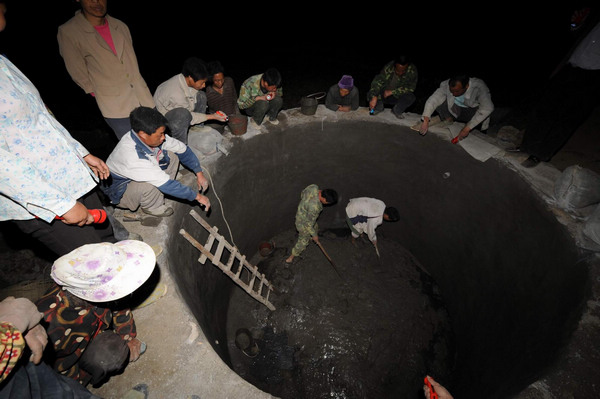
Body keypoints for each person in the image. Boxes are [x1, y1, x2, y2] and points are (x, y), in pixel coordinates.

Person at [0, 2, 136, 259]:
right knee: (93, 260)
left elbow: (41, 118)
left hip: (69, 175)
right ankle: (114, 298)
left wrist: (81, 153)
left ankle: (129, 285)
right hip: (41, 196)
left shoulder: (3, 63)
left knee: (107, 235)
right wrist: (60, 205)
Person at [36, 240, 156, 388]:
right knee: (109, 355)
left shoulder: (90, 286)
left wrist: (128, 337)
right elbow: (55, 367)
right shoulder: (51, 325)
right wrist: (77, 385)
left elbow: (119, 304)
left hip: (92, 332)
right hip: (67, 362)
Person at [510, 13, 600, 168]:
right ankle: (526, 147)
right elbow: (575, 32)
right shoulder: (595, 18)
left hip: (593, 77)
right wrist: (575, 24)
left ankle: (540, 154)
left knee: (567, 118)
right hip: (571, 67)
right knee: (544, 108)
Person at [57, 0, 155, 140]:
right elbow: (76, 69)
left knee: (159, 142)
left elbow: (130, 63)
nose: (96, 2)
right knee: (135, 149)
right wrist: (97, 91)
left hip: (143, 97)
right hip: (115, 104)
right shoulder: (69, 31)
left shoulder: (120, 26)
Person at [101, 106, 211, 218]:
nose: (163, 137)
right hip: (120, 191)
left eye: (163, 133)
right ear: (143, 134)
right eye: (160, 134)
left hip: (140, 173)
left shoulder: (146, 137)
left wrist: (199, 174)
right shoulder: (132, 157)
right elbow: (166, 185)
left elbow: (183, 149)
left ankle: (163, 186)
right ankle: (152, 207)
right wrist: (198, 197)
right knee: (150, 186)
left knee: (172, 155)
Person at [153, 57, 228, 144]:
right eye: (202, 82)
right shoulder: (176, 94)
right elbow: (188, 115)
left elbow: (192, 98)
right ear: (191, 78)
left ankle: (197, 129)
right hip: (165, 117)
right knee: (183, 115)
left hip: (181, 107)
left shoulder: (184, 79)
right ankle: (181, 145)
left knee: (201, 95)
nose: (204, 85)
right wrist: (213, 116)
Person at [417, 74, 494, 141]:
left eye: (457, 91)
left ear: (467, 86)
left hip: (471, 113)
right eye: (451, 91)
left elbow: (488, 108)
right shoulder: (446, 84)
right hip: (455, 110)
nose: (453, 94)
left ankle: (471, 126)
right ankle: (448, 119)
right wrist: (426, 120)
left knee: (477, 136)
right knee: (439, 99)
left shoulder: (479, 87)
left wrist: (466, 129)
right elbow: (433, 100)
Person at [285, 184, 338, 264]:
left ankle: (310, 236)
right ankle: (291, 256)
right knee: (303, 241)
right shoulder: (315, 207)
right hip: (302, 223)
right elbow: (308, 224)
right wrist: (314, 236)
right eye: (327, 202)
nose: (327, 204)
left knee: (315, 227)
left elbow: (302, 193)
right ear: (324, 198)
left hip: (303, 213)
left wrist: (305, 205)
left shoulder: (314, 187)